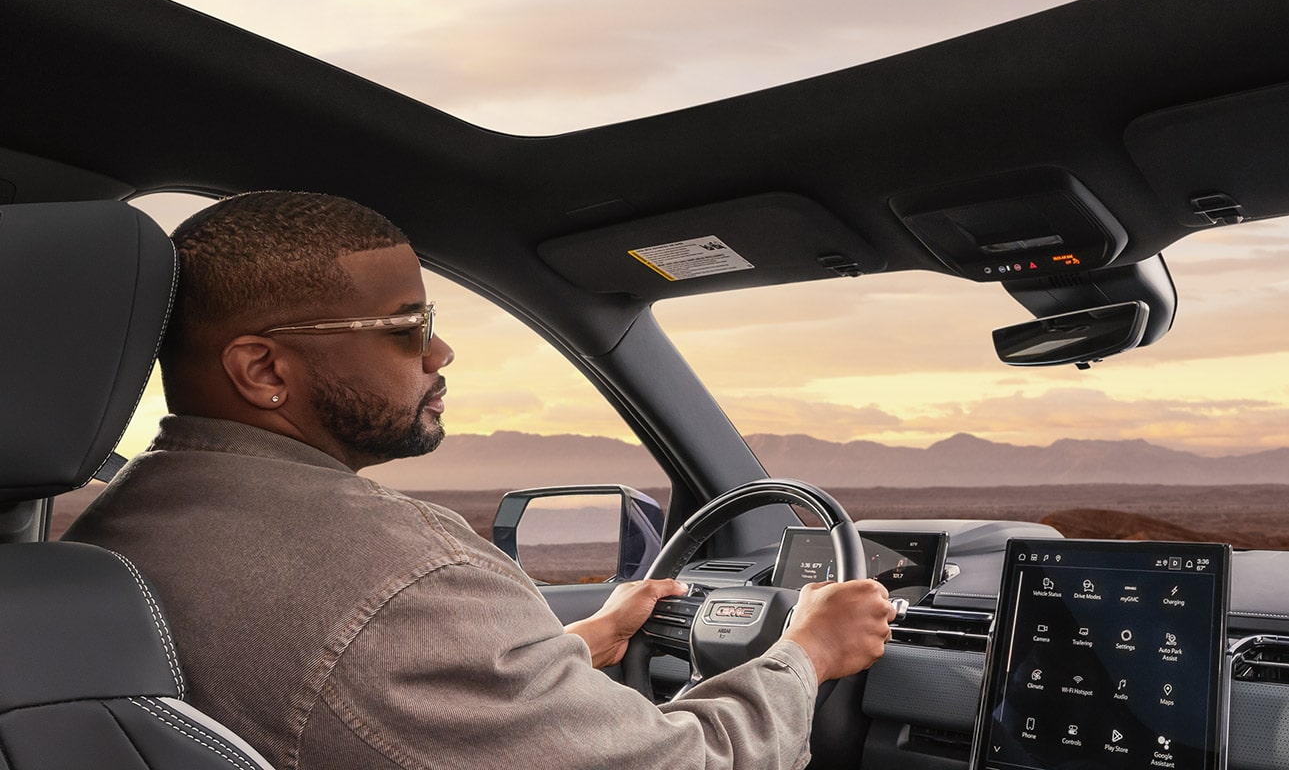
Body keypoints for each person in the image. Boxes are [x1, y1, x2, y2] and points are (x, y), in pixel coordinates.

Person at [66, 191, 896, 769]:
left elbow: (346, 699)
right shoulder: (406, 578)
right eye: (406, 327)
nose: (439, 353)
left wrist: (578, 644)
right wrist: (807, 654)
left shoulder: (119, 528)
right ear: (263, 369)